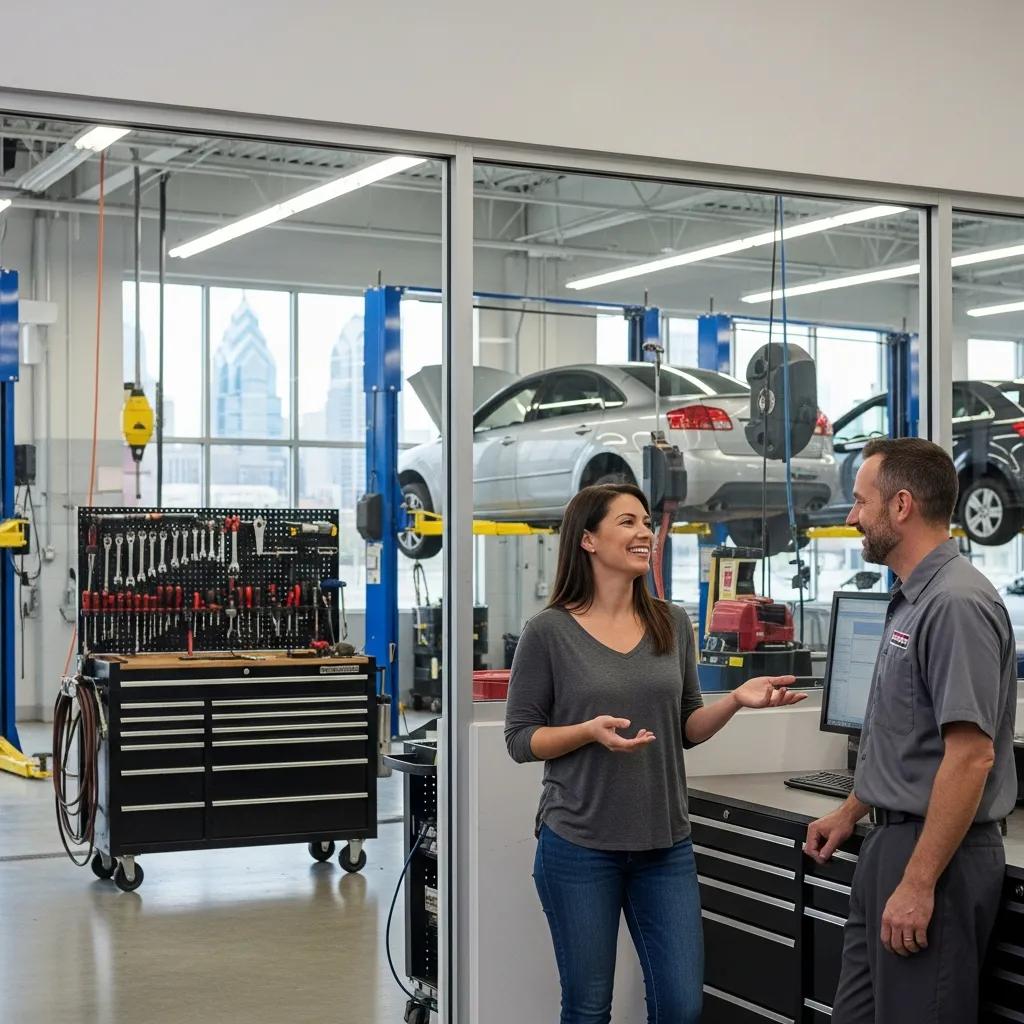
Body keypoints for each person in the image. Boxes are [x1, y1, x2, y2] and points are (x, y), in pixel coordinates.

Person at [504, 483, 806, 1024]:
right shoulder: (548, 632)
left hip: (665, 844)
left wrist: (735, 700)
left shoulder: (673, 622)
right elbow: (521, 739)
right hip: (579, 845)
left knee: (682, 1006)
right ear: (589, 540)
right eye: (627, 522)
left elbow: (686, 725)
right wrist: (586, 732)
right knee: (589, 1007)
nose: (645, 532)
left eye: (646, 522)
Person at [804, 438, 1018, 1024]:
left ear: (900, 506)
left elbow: (970, 757)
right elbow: (905, 733)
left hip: (938, 856)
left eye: (860, 501)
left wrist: (920, 882)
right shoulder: (911, 599)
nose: (851, 517)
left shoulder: (956, 604)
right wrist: (851, 810)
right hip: (888, 843)